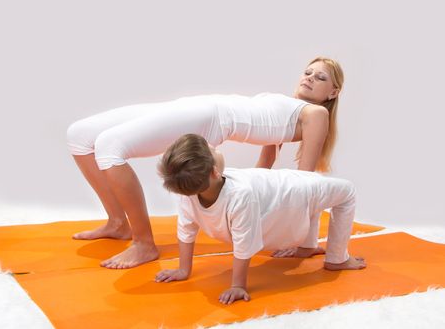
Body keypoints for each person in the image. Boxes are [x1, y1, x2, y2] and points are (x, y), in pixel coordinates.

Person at [66, 57, 344, 269]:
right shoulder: (285, 105)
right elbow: (267, 160)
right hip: (198, 105)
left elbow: (305, 181)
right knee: (78, 135)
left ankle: (143, 243)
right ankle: (117, 222)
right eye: (308, 72)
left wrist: (303, 242)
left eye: (320, 77)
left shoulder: (316, 113)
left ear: (332, 92)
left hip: (210, 116)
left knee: (109, 147)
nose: (309, 78)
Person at [155, 134, 365, 305]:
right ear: (214, 173)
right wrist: (238, 285)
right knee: (347, 192)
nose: (215, 148)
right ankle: (338, 259)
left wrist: (184, 269)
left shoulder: (186, 192)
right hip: (292, 193)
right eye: (213, 151)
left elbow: (186, 229)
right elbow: (243, 245)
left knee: (311, 203)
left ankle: (307, 247)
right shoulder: (240, 196)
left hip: (282, 189)